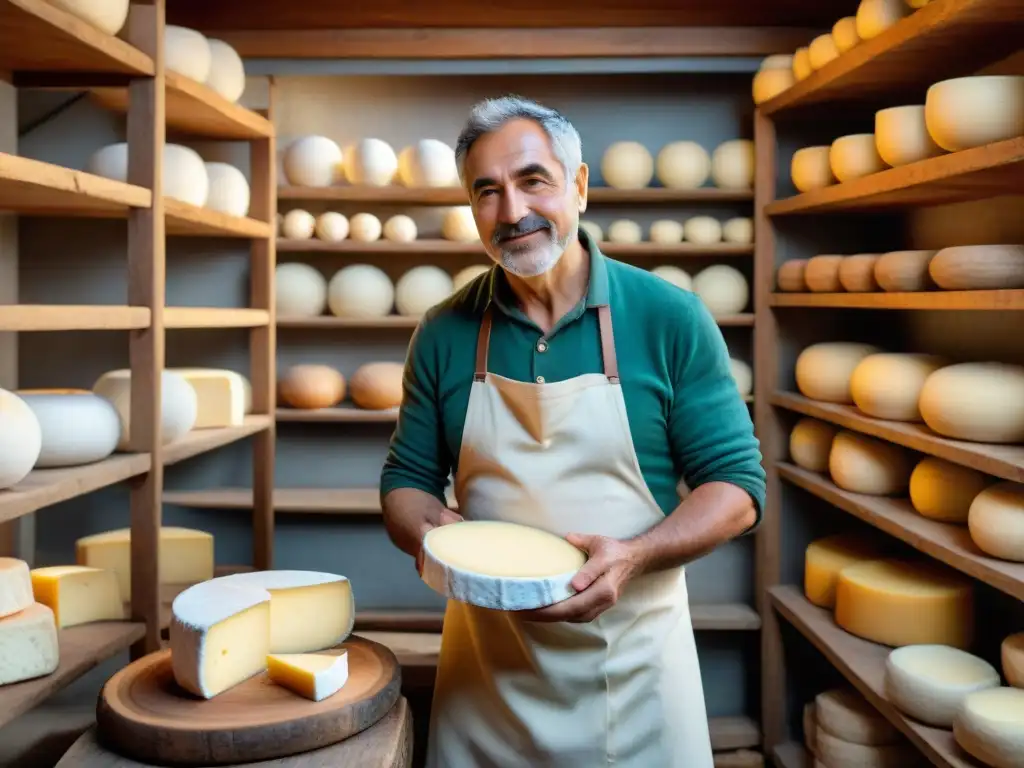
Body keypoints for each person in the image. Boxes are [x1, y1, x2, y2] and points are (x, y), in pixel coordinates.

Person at [379, 95, 766, 768]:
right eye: (487, 192)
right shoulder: (444, 333)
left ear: (579, 186)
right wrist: (429, 537)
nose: (512, 212)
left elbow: (737, 488)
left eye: (533, 180)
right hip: (487, 686)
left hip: (638, 678)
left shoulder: (669, 318)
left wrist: (635, 555)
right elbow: (406, 481)